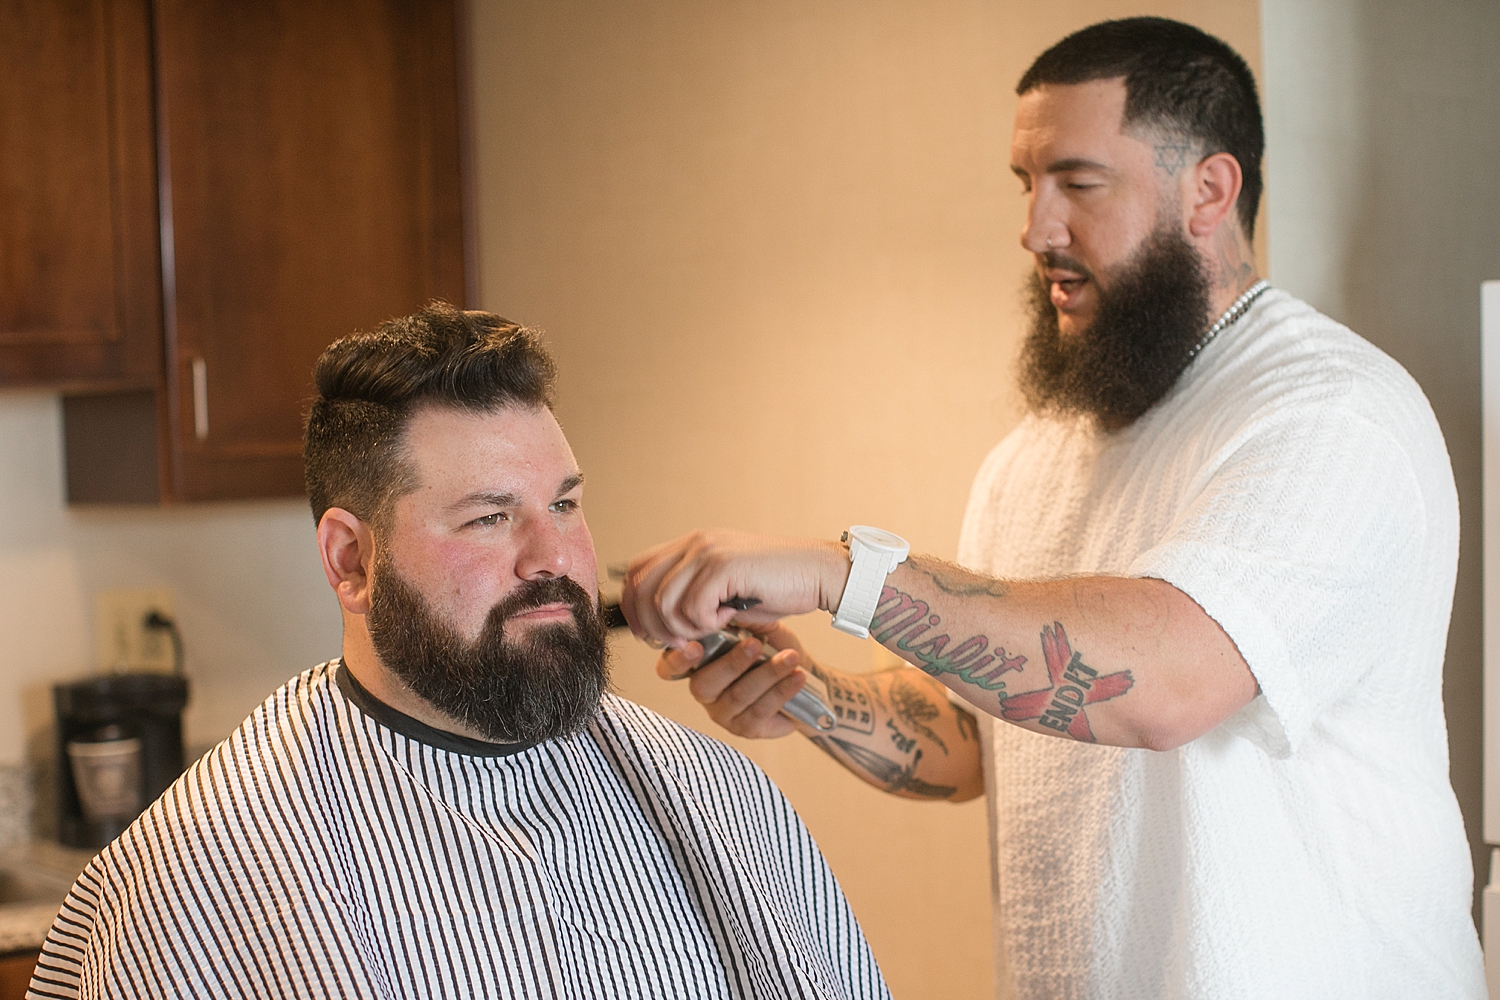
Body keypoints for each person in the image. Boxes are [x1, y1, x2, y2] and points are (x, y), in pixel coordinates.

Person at [618, 17, 1486, 1000]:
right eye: (1026, 186)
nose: (1035, 229)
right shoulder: (1032, 460)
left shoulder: (1332, 414)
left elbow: (1162, 681)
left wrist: (840, 573)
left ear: (1209, 189)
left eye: (1078, 183)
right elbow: (972, 737)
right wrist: (807, 690)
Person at [27, 304, 889, 1000]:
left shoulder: (711, 792)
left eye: (564, 504)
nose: (552, 558)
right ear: (350, 560)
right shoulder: (203, 880)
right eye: (488, 518)